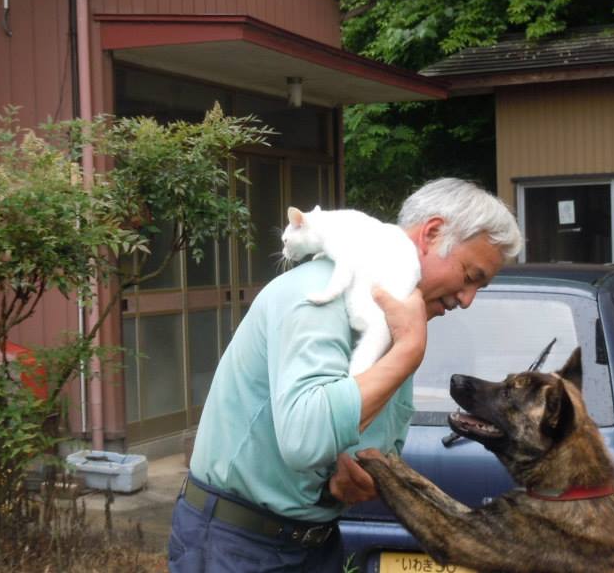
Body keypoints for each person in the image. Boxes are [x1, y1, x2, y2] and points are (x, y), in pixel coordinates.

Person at [167, 178, 523, 572]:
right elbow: (306, 440)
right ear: (433, 233)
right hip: (235, 546)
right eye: (470, 276)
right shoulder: (321, 294)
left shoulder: (393, 318)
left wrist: (366, 478)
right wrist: (407, 352)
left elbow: (375, 443)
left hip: (314, 543)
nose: (467, 300)